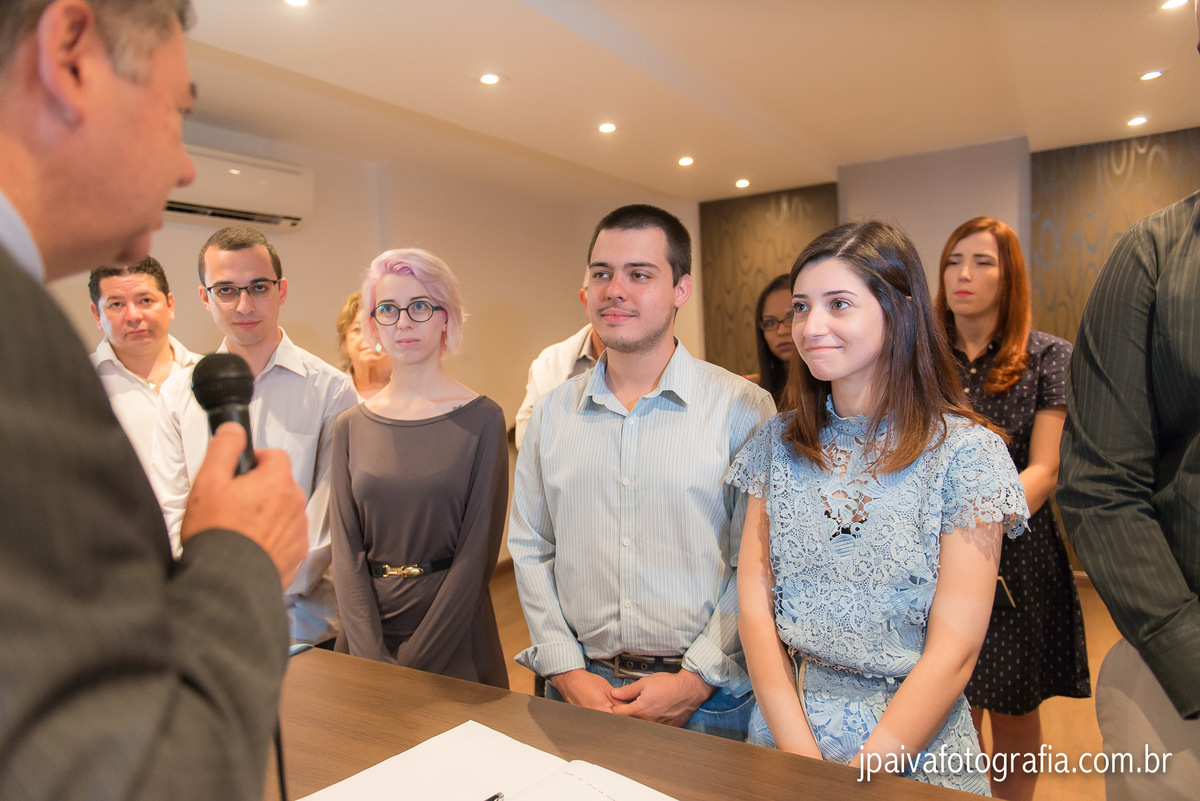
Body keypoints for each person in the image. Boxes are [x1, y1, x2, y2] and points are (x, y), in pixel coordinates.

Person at [0, 1, 308, 798]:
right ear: (70, 56)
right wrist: (239, 555)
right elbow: (121, 774)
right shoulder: (17, 338)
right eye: (177, 112)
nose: (187, 168)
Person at [728, 221, 1027, 793]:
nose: (811, 328)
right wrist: (801, 761)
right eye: (800, 307)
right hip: (787, 728)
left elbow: (956, 650)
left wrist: (860, 775)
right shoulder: (776, 443)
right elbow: (754, 610)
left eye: (839, 304)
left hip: (915, 744)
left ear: (899, 312)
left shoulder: (967, 454)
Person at [509, 204, 776, 741]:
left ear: (681, 288)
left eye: (639, 274)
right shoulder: (552, 414)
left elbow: (760, 560)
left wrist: (696, 678)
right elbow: (531, 545)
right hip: (580, 688)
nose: (615, 289)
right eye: (602, 273)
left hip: (709, 699)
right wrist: (564, 668)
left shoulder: (744, 408)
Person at [935, 216, 1089, 799]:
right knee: (950, 703)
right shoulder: (923, 356)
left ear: (1011, 276)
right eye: (953, 261)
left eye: (982, 262)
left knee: (1015, 707)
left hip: (1018, 555)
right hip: (934, 555)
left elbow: (1045, 469)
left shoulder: (1049, 356)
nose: (964, 275)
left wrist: (974, 519)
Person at [151, 225, 356, 645]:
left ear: (280, 291)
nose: (244, 304)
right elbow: (172, 508)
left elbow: (328, 518)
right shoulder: (177, 394)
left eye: (258, 287)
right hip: (207, 619)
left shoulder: (332, 390)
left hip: (305, 624)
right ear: (205, 297)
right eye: (226, 290)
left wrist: (258, 583)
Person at [1058, 204, 1200, 795]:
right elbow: (1099, 482)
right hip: (1180, 639)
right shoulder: (1155, 253)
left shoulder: (1040, 354)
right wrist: (1187, 651)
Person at [330, 249, 509, 687]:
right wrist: (370, 653)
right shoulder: (349, 426)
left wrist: (414, 663)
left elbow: (476, 555)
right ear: (373, 324)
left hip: (454, 635)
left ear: (446, 317)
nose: (403, 322)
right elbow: (346, 551)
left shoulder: (482, 419)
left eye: (420, 306)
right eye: (388, 310)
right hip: (364, 640)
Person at [88, 257, 199, 472]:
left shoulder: (208, 374)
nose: (134, 315)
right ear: (97, 314)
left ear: (170, 304)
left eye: (145, 300)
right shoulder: (79, 381)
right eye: (116, 304)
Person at [513, 283, 604, 448]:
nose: (615, 294)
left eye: (637, 276)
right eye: (601, 276)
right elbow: (528, 445)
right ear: (585, 299)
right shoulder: (550, 362)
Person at [745, 273, 795, 407]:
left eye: (791, 318)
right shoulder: (750, 390)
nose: (781, 331)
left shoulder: (837, 390)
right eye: (770, 323)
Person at [336, 290, 391, 401]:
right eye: (357, 329)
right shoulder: (332, 391)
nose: (368, 337)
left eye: (377, 328)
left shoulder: (416, 390)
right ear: (344, 343)